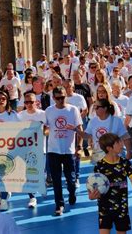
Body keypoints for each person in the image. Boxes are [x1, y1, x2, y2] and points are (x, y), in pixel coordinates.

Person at [88, 133, 132, 234]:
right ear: (109, 148)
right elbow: (92, 187)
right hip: (104, 209)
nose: (121, 144)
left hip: (121, 209)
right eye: (118, 143)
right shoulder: (99, 166)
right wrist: (91, 196)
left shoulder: (125, 163)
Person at [44, 86, 82, 216]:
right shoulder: (49, 111)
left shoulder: (73, 110)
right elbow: (46, 129)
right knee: (56, 179)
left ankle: (72, 192)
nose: (61, 100)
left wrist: (79, 147)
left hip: (69, 149)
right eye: (58, 98)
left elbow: (79, 128)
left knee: (71, 179)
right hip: (53, 149)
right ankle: (59, 204)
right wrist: (44, 130)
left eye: (63, 97)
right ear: (54, 98)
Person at [0, 91, 19, 210]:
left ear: (7, 101)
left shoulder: (12, 114)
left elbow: (19, 129)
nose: (1, 100)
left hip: (8, 148)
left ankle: (4, 198)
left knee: (5, 173)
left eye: (3, 98)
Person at [18, 92, 46, 208]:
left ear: (36, 102)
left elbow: (48, 130)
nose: (29, 104)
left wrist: (41, 132)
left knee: (41, 173)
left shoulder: (43, 114)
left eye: (31, 102)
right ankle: (32, 197)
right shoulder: (20, 116)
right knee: (28, 173)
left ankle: (40, 185)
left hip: (41, 148)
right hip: (26, 149)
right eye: (26, 102)